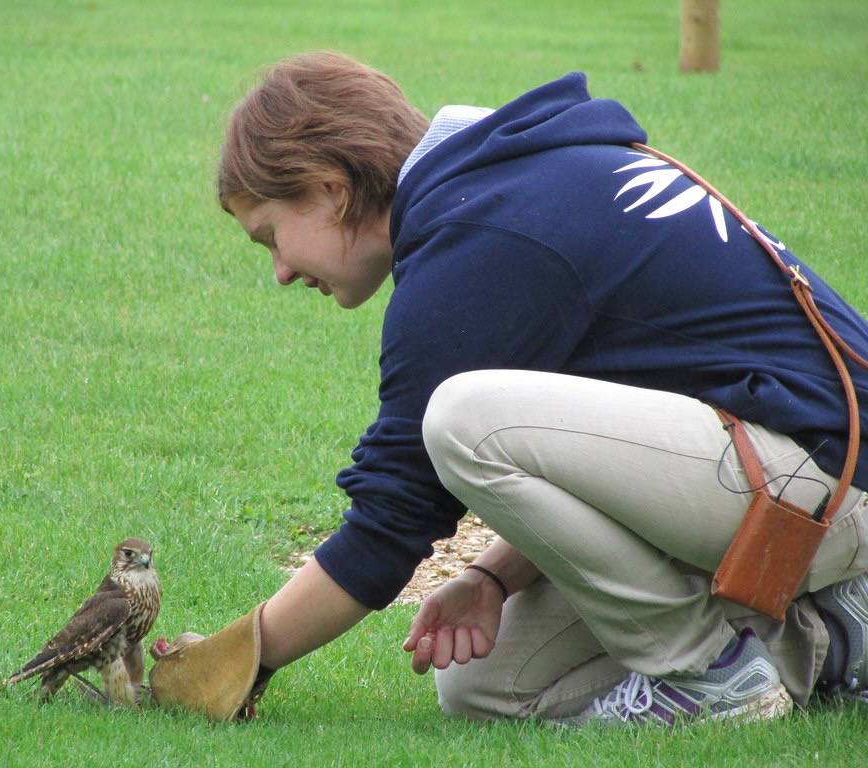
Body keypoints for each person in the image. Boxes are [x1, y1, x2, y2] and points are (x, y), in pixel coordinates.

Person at [209, 50, 868, 726]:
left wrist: (238, 658)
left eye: (271, 238)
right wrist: (494, 577)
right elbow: (600, 452)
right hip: (781, 476)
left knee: (464, 419)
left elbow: (391, 519)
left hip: (832, 479)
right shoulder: (507, 185)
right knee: (487, 684)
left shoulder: (480, 233)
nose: (282, 272)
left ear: (328, 189)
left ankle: (704, 672)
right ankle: (837, 637)